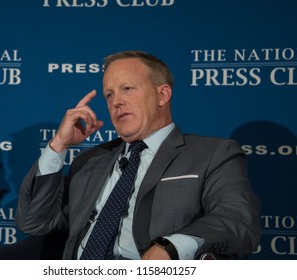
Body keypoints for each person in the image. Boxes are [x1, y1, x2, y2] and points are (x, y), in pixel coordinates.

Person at [16, 50, 261, 260]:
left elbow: (237, 221)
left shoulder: (211, 154)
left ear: (162, 95)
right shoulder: (90, 161)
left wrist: (171, 247)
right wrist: (59, 145)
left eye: (127, 89)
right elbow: (34, 222)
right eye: (109, 94)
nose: (116, 102)